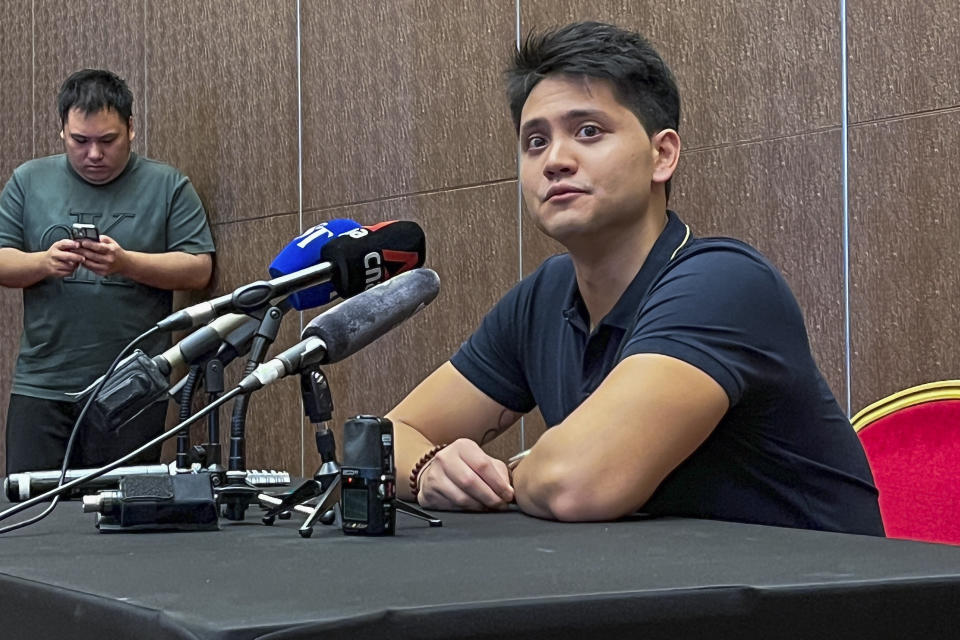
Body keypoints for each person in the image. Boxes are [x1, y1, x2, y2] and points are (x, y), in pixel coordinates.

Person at [388, 22, 884, 535]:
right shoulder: (544, 296)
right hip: (669, 596)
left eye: (588, 131)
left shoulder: (724, 283)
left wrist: (511, 471)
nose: (555, 160)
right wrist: (428, 470)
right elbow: (384, 439)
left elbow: (577, 482)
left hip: (815, 601)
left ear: (662, 155)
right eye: (535, 142)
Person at [0, 69, 215, 474]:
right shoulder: (29, 181)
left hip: (131, 385)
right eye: (80, 141)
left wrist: (126, 263)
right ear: (62, 130)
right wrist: (43, 262)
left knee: (116, 519)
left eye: (107, 140)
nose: (94, 154)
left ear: (131, 129)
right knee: (31, 517)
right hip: (42, 385)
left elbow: (198, 268)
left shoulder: (167, 185)